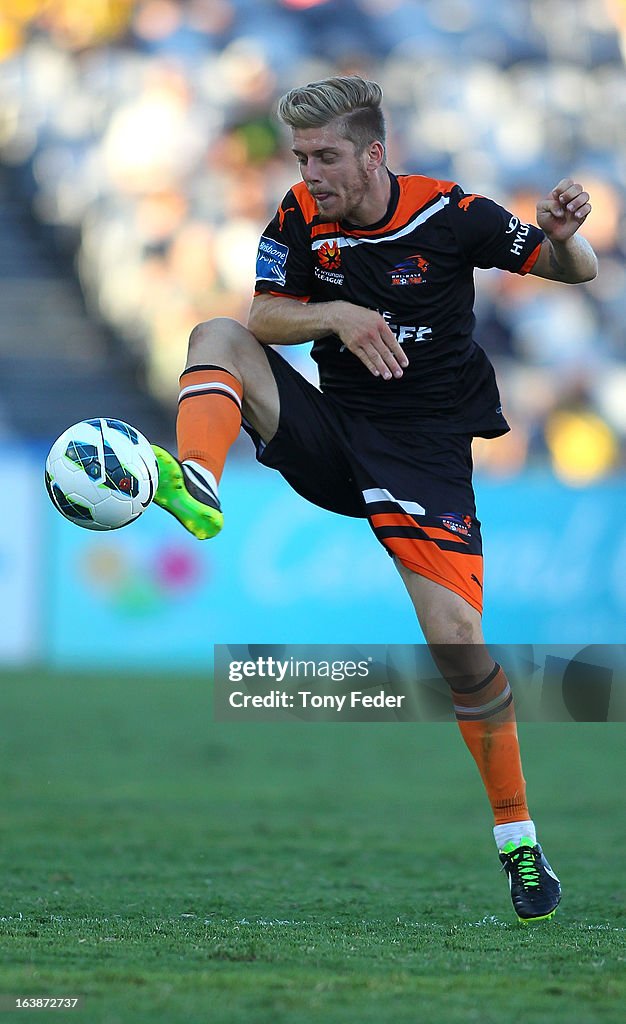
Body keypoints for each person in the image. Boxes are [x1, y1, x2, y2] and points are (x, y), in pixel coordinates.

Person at [151, 76, 597, 922]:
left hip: (425, 455)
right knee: (215, 336)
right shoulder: (298, 218)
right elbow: (265, 315)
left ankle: (520, 844)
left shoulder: (452, 214)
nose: (310, 173)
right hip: (334, 429)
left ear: (374, 153)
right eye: (302, 157)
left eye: (325, 157)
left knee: (461, 647)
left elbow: (569, 270)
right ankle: (198, 483)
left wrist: (568, 240)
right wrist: (340, 316)